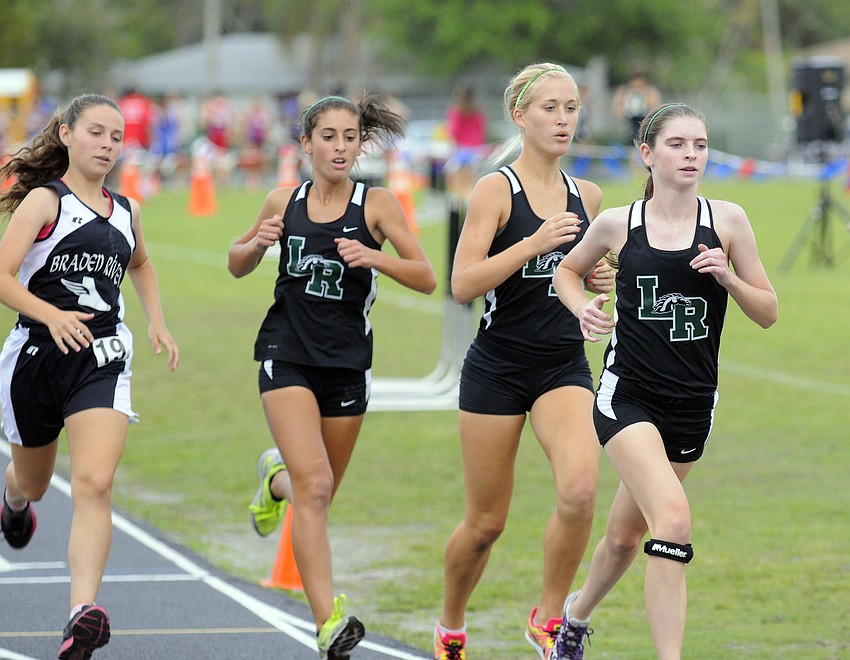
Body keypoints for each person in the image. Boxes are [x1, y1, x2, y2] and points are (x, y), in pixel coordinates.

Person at [550, 103, 778, 660]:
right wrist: (582, 308)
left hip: (693, 404)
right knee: (672, 522)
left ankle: (573, 620)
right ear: (647, 154)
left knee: (626, 537)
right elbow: (567, 271)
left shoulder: (728, 221)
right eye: (677, 144)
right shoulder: (618, 224)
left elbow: (768, 312)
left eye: (700, 144)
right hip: (627, 396)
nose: (691, 155)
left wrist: (728, 277)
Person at [227, 93, 436, 659]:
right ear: (306, 144)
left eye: (350, 137)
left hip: (347, 364)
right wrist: (255, 244)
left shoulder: (378, 205)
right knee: (316, 487)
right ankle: (328, 624)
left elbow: (425, 277)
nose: (340, 147)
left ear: (360, 144)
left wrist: (376, 257)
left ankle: (274, 479)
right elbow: (236, 262)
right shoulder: (283, 200)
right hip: (286, 354)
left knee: (315, 496)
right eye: (328, 137)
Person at [434, 63, 615, 660]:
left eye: (571, 108)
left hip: (562, 365)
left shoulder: (588, 196)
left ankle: (548, 617)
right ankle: (451, 625)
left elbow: (580, 273)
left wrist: (597, 276)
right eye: (549, 108)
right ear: (520, 116)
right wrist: (533, 244)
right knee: (486, 524)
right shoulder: (495, 189)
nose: (563, 119)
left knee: (580, 492)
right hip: (498, 367)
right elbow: (462, 284)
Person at [0, 94, 180, 658]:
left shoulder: (127, 211)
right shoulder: (43, 202)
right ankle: (13, 499)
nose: (107, 144)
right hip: (36, 359)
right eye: (96, 132)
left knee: (95, 483)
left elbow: (141, 264)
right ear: (67, 133)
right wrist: (50, 315)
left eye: (116, 136)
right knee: (34, 482)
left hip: (101, 359)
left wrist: (156, 320)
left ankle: (81, 613)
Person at [444, 81, 488, 198]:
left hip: (460, 150)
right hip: (476, 150)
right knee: (471, 181)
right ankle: (469, 200)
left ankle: (458, 201)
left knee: (455, 180)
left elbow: (454, 131)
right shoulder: (478, 112)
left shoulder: (456, 112)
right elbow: (482, 132)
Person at [611, 68, 662, 145]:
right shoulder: (624, 91)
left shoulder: (650, 91)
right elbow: (617, 110)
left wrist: (645, 95)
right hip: (629, 122)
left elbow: (654, 108)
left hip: (644, 120)